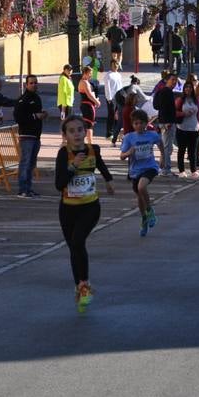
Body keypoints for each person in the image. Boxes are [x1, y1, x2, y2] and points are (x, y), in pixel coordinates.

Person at [54, 115, 115, 312]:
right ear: (65, 135)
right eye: (71, 131)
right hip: (67, 208)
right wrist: (73, 166)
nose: (77, 134)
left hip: (90, 206)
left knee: (78, 241)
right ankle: (80, 288)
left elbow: (101, 165)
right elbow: (58, 184)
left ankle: (85, 284)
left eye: (80, 130)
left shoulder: (92, 149)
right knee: (73, 247)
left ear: (85, 132)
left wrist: (108, 181)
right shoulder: (64, 154)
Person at [120, 109, 162, 236]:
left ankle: (149, 210)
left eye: (141, 123)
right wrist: (128, 153)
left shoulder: (152, 135)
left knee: (141, 186)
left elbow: (161, 145)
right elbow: (122, 156)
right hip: (135, 170)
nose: (139, 126)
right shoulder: (129, 137)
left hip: (150, 167)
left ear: (146, 123)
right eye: (136, 123)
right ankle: (144, 218)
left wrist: (163, 159)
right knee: (139, 196)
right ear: (133, 125)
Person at [12, 75, 46, 199]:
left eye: (35, 82)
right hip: (26, 136)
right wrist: (35, 116)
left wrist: (42, 114)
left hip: (36, 136)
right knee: (25, 163)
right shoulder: (23, 99)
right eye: (31, 83)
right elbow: (18, 118)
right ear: (26, 85)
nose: (34, 85)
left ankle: (29, 188)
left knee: (32, 164)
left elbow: (38, 114)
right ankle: (22, 190)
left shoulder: (37, 98)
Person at [175, 80, 199, 178]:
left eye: (190, 87)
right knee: (181, 150)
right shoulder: (180, 100)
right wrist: (184, 114)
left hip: (194, 128)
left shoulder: (197, 100)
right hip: (182, 128)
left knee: (193, 151)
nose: (188, 89)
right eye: (186, 87)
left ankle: (193, 170)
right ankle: (181, 171)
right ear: (184, 89)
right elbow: (174, 113)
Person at [102, 58, 124, 143]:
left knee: (117, 116)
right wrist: (109, 98)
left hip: (119, 98)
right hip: (111, 98)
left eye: (117, 65)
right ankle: (108, 134)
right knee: (111, 115)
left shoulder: (118, 74)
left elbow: (120, 86)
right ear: (111, 65)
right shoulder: (108, 75)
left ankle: (116, 133)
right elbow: (107, 88)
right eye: (114, 65)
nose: (116, 66)